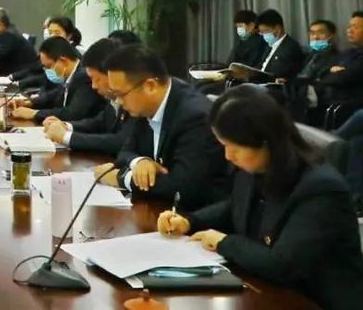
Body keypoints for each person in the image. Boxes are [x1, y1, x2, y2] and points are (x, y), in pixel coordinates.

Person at [158, 86, 363, 310]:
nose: (228, 156)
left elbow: (283, 265)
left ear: (265, 141)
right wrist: (190, 221)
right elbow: (235, 207)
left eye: (234, 147)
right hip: (265, 289)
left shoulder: (321, 189)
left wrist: (224, 242)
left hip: (315, 301)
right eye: (224, 145)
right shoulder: (256, 167)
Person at [94, 45, 229, 209]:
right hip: (162, 210)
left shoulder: (195, 116)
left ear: (150, 86)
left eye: (121, 94)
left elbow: (182, 188)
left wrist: (122, 178)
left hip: (199, 216)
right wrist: (140, 162)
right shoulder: (145, 105)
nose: (119, 102)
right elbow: (125, 151)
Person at [41, 39, 136, 155]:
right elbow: (99, 122)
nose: (94, 86)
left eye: (97, 79)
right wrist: (66, 126)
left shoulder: (134, 100)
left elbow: (120, 142)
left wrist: (66, 137)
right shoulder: (114, 99)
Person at [9, 36, 105, 124]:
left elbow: (72, 113)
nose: (47, 71)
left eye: (49, 66)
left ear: (63, 60)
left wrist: (34, 113)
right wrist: (30, 103)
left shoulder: (84, 76)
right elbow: (55, 95)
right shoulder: (70, 75)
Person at [283, 19, 341, 121]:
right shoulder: (308, 55)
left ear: (331, 36)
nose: (315, 37)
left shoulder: (336, 58)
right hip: (294, 90)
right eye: (312, 33)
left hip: (311, 97)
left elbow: (321, 82)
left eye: (320, 33)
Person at [315, 10, 363, 104]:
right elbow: (322, 72)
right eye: (349, 27)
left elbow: (344, 77)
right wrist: (331, 70)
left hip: (352, 103)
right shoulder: (348, 52)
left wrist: (335, 72)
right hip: (335, 101)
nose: (349, 30)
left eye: (355, 27)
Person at [248, 9, 304, 82]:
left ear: (277, 28)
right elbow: (261, 66)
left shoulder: (290, 47)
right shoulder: (269, 46)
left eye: (265, 31)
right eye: (261, 32)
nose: (263, 35)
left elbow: (279, 73)